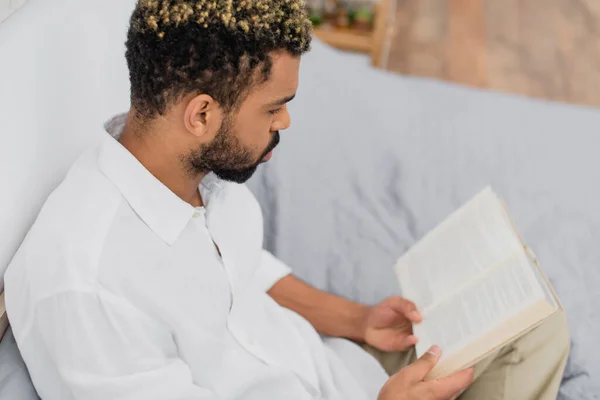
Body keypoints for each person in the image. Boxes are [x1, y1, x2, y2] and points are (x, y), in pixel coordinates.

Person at [4, 0, 569, 399]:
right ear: (201, 114)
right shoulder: (84, 289)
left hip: (340, 373)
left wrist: (358, 320)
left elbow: (245, 271)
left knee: (535, 327)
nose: (286, 120)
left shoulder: (189, 170)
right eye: (274, 107)